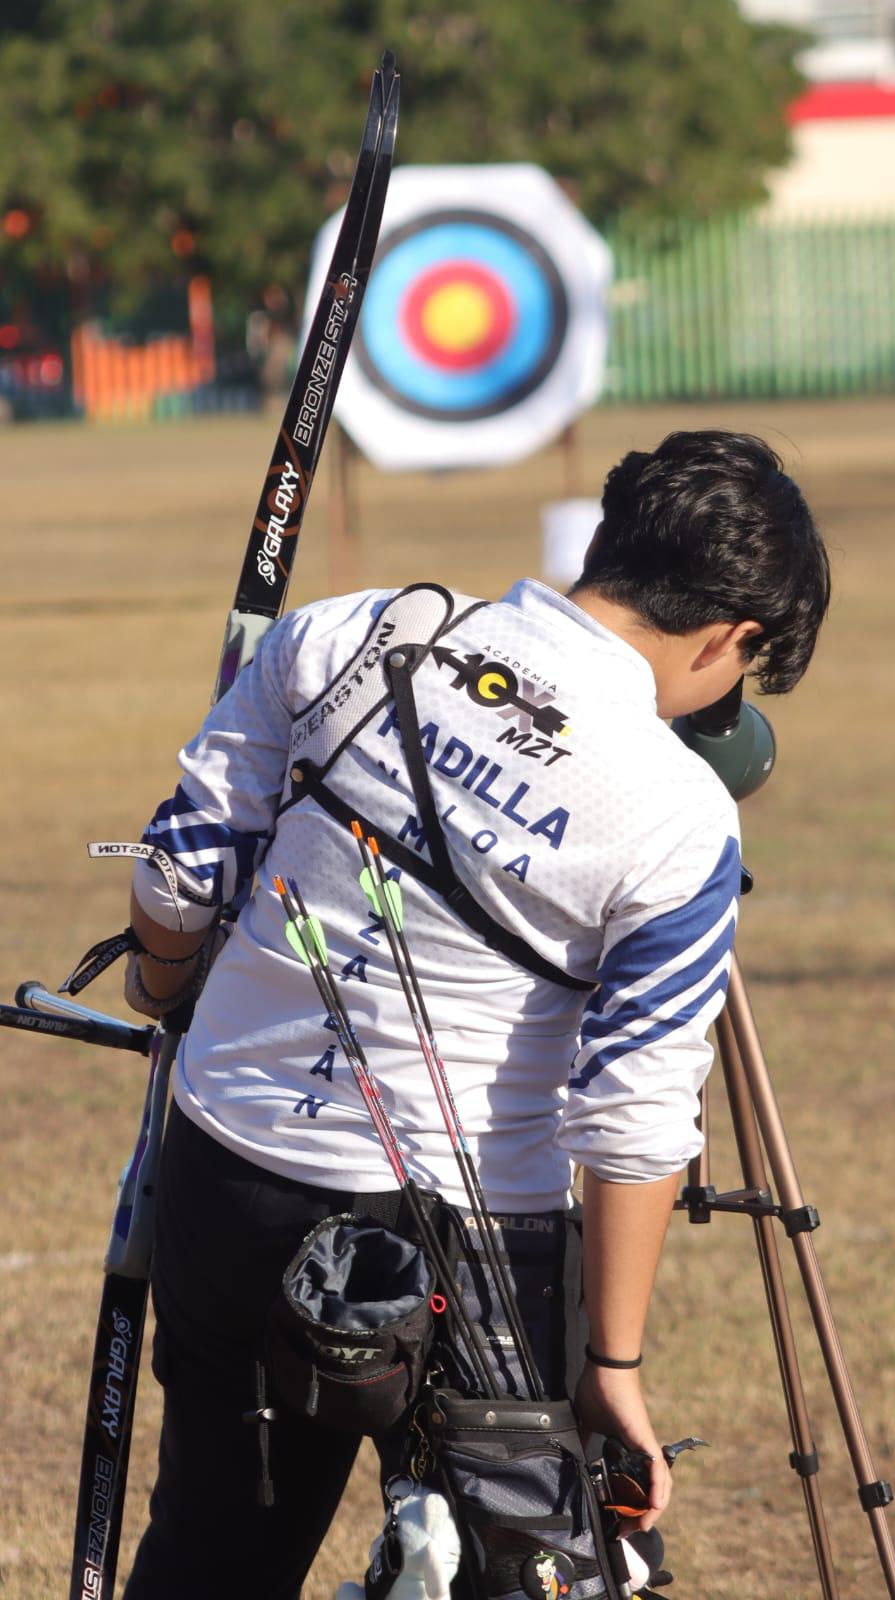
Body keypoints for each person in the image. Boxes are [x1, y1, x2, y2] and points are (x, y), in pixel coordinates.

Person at [120, 428, 830, 1599]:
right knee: (531, 1567)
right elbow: (635, 1115)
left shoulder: (353, 628)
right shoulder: (677, 815)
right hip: (477, 1241)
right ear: (730, 637)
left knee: (214, 1553)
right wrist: (612, 1364)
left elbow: (177, 877)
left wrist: (158, 986)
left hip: (230, 1165)